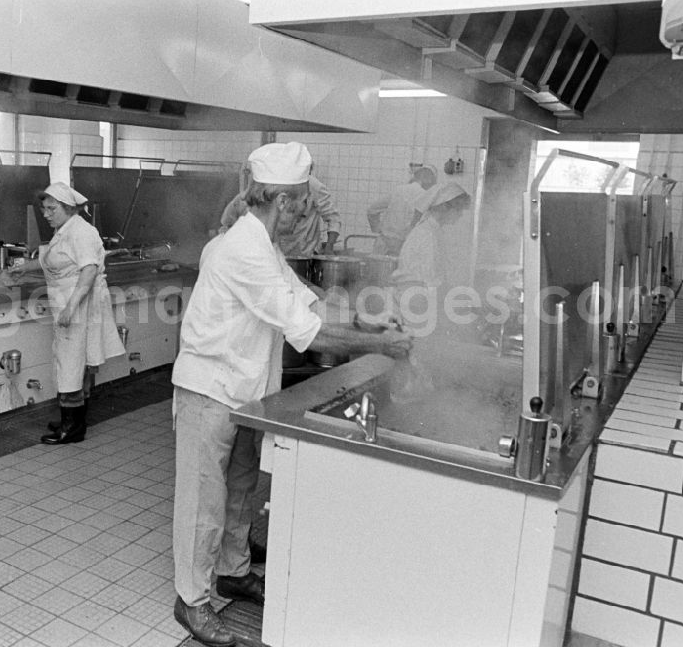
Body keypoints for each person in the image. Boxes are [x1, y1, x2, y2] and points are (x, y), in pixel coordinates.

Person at [171, 141, 412, 647]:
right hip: (208, 391)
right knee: (204, 502)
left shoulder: (264, 248)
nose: (303, 215)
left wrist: (365, 317)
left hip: (242, 392)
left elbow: (307, 299)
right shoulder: (241, 249)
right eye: (301, 204)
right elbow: (310, 333)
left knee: (239, 489)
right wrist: (379, 343)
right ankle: (191, 601)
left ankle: (233, 570)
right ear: (282, 201)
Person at [7, 182, 125, 445]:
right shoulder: (65, 229)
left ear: (69, 208)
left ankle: (72, 429)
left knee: (71, 363)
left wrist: (71, 308)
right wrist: (23, 268)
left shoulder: (82, 232)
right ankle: (72, 420)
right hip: (69, 304)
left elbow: (89, 270)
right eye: (44, 209)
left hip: (79, 305)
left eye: (52, 209)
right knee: (71, 362)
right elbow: (51, 259)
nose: (46, 214)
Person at [219, 167, 341, 256]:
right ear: (282, 202)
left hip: (303, 252)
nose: (297, 221)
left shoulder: (315, 186)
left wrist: (329, 246)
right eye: (294, 213)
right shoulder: (249, 249)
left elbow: (333, 217)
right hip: (279, 250)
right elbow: (229, 216)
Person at [391, 181, 470, 291]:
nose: (461, 214)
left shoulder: (434, 230)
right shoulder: (427, 234)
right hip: (415, 298)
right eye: (458, 209)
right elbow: (430, 279)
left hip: (419, 295)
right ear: (444, 207)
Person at [365, 165, 437, 256]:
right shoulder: (426, 197)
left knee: (377, 270)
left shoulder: (398, 190)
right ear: (428, 180)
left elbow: (372, 209)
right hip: (404, 248)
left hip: (383, 244)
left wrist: (377, 228)